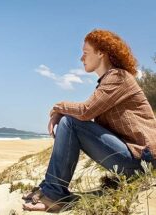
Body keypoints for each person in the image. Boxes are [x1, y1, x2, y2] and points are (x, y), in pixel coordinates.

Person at [22, 29, 156, 212]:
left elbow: (85, 111)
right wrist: (61, 113)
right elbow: (86, 113)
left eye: (85, 53)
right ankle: (50, 188)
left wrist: (57, 108)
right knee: (69, 121)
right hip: (136, 159)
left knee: (70, 122)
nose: (81, 59)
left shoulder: (118, 77)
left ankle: (53, 194)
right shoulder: (109, 81)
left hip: (142, 161)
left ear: (101, 53)